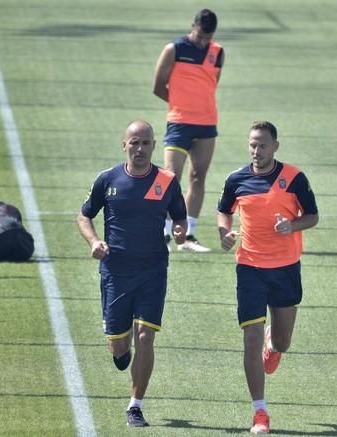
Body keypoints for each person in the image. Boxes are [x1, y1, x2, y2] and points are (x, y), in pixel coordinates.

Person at [77, 120, 187, 427]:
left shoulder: (166, 181)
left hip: (153, 270)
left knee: (146, 336)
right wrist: (94, 241)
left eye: (145, 143)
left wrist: (180, 231)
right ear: (124, 145)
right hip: (116, 272)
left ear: (154, 146)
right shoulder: (108, 179)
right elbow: (84, 215)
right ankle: (119, 351)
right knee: (120, 347)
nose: (139, 149)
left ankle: (135, 406)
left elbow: (179, 217)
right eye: (134, 143)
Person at [217, 121, 319, 434]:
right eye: (252, 145)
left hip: (286, 268)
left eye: (262, 145)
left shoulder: (294, 178)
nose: (256, 151)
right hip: (249, 267)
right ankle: (260, 413)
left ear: (275, 146)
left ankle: (273, 346)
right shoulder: (237, 179)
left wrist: (292, 226)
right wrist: (224, 233)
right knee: (250, 337)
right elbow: (224, 211)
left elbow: (312, 216)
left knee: (283, 342)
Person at [153, 8, 224, 253]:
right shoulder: (174, 49)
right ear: (192, 26)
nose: (203, 41)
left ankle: (188, 235)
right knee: (172, 176)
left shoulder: (218, 52)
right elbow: (158, 86)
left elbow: (211, 85)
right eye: (200, 35)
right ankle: (163, 232)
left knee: (198, 177)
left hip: (206, 124)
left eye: (208, 37)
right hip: (179, 123)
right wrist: (180, 107)